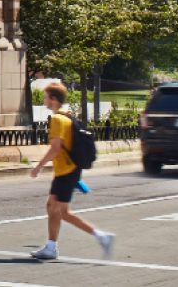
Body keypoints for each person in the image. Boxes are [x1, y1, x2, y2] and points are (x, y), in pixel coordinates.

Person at [30, 80, 113, 261]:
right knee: (56, 208)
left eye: (45, 97)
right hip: (67, 170)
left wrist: (38, 166)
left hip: (67, 171)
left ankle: (97, 238)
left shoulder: (58, 120)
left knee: (56, 208)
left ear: (53, 99)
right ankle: (55, 246)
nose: (44, 99)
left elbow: (55, 148)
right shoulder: (66, 116)